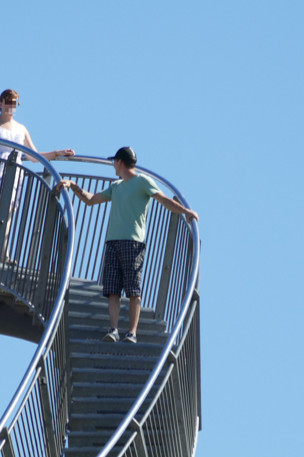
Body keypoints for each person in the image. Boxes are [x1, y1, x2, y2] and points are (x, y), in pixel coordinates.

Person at [59, 147, 199, 343]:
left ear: (120, 162)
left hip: (133, 243)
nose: (112, 166)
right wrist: (73, 186)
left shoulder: (142, 181)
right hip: (112, 242)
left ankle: (132, 332)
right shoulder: (116, 186)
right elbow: (90, 200)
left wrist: (186, 211)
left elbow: (164, 200)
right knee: (113, 290)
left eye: (114, 162)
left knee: (133, 289)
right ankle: (114, 329)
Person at [0, 89, 74, 211]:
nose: (11, 106)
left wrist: (57, 153)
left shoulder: (21, 129)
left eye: (14, 103)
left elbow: (33, 156)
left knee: (8, 210)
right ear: (0, 103)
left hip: (13, 174)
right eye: (8, 102)